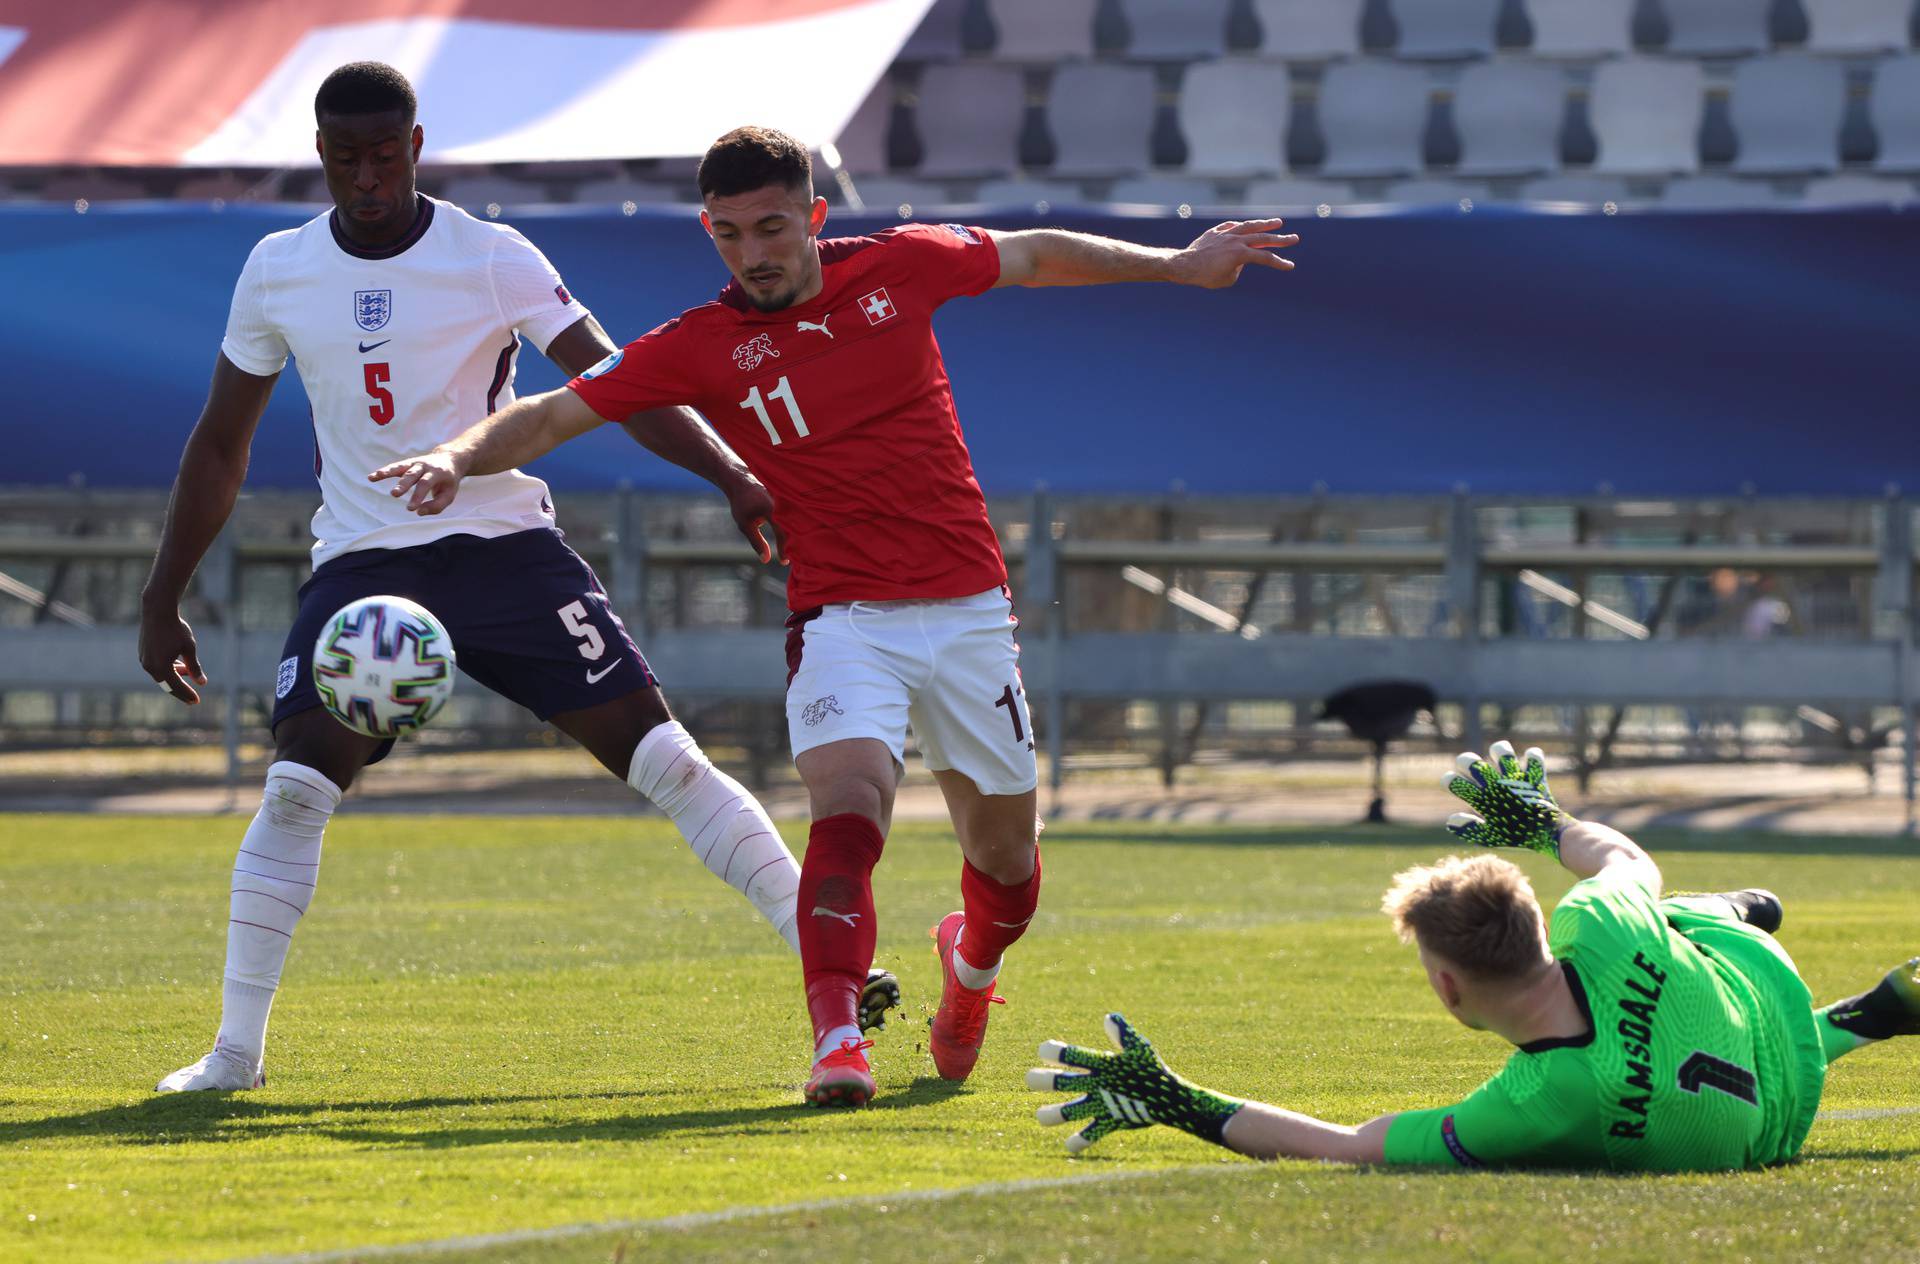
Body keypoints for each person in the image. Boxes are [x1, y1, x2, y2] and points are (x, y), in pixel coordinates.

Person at [367, 126, 1300, 1106]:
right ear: (710, 232)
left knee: (1009, 872)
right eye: (730, 235)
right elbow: (557, 413)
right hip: (842, 618)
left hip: (969, 611)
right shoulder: (701, 345)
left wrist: (1181, 266)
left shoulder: (903, 265)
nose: (753, 252)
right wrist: (459, 455)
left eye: (772, 227)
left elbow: (1031, 254)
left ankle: (969, 968)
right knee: (849, 818)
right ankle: (837, 1040)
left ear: (813, 217)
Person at [140, 66, 895, 1094]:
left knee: (666, 760)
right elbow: (221, 443)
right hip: (363, 574)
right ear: (322, 155)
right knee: (294, 787)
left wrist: (733, 473)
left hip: (503, 550)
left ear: (416, 144)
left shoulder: (491, 256)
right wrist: (160, 594)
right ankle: (234, 1055)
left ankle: (836, 978)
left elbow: (614, 380)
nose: (367, 177)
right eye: (344, 157)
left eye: (384, 153)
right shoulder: (276, 269)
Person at [1028, 741, 1918, 1167]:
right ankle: (1843, 989)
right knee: (1663, 909)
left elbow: (1349, 1147)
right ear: (1537, 924)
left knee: (1679, 916)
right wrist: (1546, 822)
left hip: (1773, 1121)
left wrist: (1180, 1101)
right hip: (1762, 991)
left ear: (1451, 988)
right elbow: (1622, 860)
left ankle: (1756, 934)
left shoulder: (1535, 1101)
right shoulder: (1596, 927)